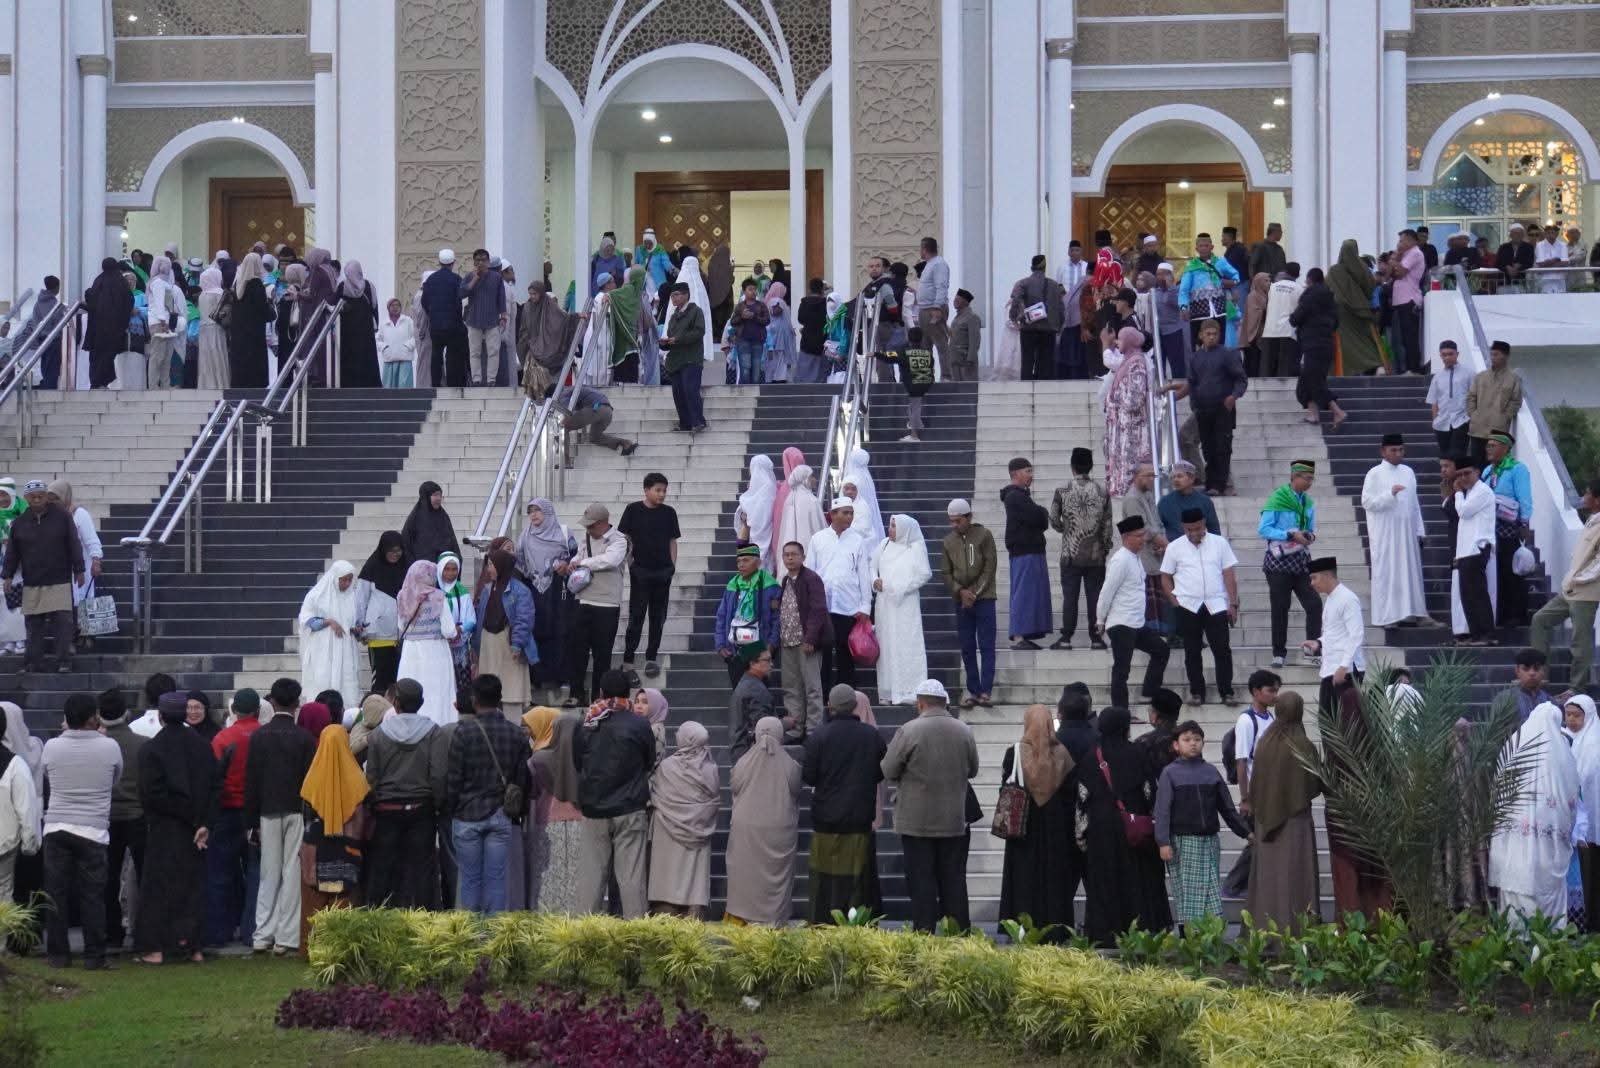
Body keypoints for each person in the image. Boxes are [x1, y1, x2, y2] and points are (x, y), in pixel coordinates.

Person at [882, 679, 977, 932]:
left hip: (916, 822)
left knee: (921, 881)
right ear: (944, 702)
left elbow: (888, 769)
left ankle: (924, 932)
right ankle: (959, 933)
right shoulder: (964, 730)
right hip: (953, 819)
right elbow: (973, 770)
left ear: (921, 703)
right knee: (954, 880)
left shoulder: (909, 730)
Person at [130, 692, 215, 966]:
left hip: (165, 826)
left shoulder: (151, 750)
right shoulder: (203, 747)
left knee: (158, 887)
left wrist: (184, 815)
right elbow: (214, 787)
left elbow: (151, 795)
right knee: (192, 886)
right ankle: (192, 944)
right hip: (197, 827)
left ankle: (154, 948)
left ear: (161, 716)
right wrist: (203, 822)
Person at [40, 693, 123, 968]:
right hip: (93, 829)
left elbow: (47, 775)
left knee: (56, 894)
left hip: (57, 826)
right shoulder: (109, 746)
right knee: (93, 896)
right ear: (93, 717)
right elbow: (115, 778)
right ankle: (94, 956)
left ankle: (58, 955)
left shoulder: (51, 746)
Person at [1077, 705, 1171, 946]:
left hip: (1102, 830)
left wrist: (1081, 836)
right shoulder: (1138, 753)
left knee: (1105, 883)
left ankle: (1106, 935)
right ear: (1125, 727)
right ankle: (1142, 932)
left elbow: (1082, 797)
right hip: (1134, 829)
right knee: (1139, 881)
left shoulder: (1091, 756)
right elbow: (1150, 792)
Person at [446, 675, 532, 915]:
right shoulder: (516, 734)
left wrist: (451, 809)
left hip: (466, 814)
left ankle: (472, 932)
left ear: (474, 700)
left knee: (470, 879)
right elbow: (522, 779)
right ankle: (493, 933)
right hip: (500, 814)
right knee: (496, 880)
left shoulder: (463, 733)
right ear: (500, 699)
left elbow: (453, 779)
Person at [572, 670, 654, 918]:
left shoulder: (586, 723)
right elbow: (649, 762)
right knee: (631, 878)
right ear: (628, 694)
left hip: (594, 808)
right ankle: (635, 936)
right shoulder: (640, 724)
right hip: (630, 808)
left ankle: (583, 935)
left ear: (600, 693)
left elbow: (578, 763)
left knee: (592, 876)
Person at [1490, 701, 1579, 928]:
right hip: (1549, 842)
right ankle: (1549, 942)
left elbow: (1498, 791)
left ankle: (1514, 942)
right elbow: (1571, 797)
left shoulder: (1513, 746)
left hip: (1515, 843)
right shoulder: (1562, 753)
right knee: (1547, 886)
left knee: (1517, 880)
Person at [1155, 719, 1250, 929]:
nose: (1193, 743)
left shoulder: (1211, 772)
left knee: (1211, 889)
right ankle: (1190, 937)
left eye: (1197, 739)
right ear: (1176, 745)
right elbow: (1162, 811)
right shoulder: (1170, 773)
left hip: (1210, 841)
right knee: (1189, 892)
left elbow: (1227, 808)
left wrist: (1246, 832)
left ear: (1203, 743)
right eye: (1187, 739)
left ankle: (1211, 937)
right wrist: (1163, 842)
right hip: (1183, 842)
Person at [242, 686, 316, 954]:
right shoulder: (305, 738)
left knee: (268, 873)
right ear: (297, 703)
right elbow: (309, 781)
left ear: (272, 702)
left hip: (267, 811)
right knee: (291, 873)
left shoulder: (259, 736)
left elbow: (251, 781)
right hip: (296, 810)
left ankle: (262, 934)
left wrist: (250, 822)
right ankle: (286, 937)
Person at [803, 685, 886, 922]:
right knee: (858, 878)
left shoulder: (819, 736)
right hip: (859, 818)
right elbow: (880, 772)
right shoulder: (871, 736)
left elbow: (809, 776)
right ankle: (856, 923)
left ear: (830, 705)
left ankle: (823, 921)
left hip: (826, 819)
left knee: (825, 877)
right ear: (854, 705)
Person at [363, 678, 446, 908]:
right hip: (421, 808)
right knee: (423, 867)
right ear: (421, 702)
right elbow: (438, 775)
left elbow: (372, 776)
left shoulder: (379, 734)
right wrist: (438, 803)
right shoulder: (433, 732)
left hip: (386, 808)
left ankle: (377, 913)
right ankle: (424, 917)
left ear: (396, 703)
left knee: (382, 866)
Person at [1245, 691, 1323, 934]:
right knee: (1296, 877)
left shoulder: (1264, 743)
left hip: (1265, 822)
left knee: (1269, 879)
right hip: (1295, 823)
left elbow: (1256, 781)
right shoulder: (1303, 744)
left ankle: (1264, 931)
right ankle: (1297, 932)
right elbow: (1315, 784)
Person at [997, 704, 1077, 938]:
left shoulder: (1015, 752)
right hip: (1055, 825)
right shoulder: (1062, 754)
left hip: (1022, 823)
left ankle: (1021, 927)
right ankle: (1055, 928)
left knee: (1022, 876)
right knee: (1054, 876)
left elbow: (1005, 786)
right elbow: (1070, 793)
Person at [297, 724, 370, 948]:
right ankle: (341, 947)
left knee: (313, 902)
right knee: (343, 900)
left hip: (316, 849)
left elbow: (306, 819)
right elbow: (362, 819)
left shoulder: (311, 781)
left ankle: (310, 947)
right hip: (347, 850)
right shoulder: (358, 780)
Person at [2, 480, 84, 672]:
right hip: (32, 581)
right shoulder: (20, 522)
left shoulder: (63, 517)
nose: (37, 499)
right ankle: (32, 663)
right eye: (33, 497)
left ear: (47, 496)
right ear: (26, 498)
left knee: (62, 623)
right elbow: (13, 552)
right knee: (33, 625)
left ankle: (64, 662)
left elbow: (74, 543)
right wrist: (7, 575)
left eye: (41, 496)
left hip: (59, 579)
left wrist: (79, 569)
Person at [1162, 508, 1239, 705]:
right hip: (1188, 605)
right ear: (1183, 527)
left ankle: (1227, 692)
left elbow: (1229, 574)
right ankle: (1197, 692)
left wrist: (1233, 603)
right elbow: (1165, 577)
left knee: (1222, 649)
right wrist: (1175, 603)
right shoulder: (1174, 547)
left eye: (1197, 528)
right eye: (1189, 530)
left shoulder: (1219, 543)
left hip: (1216, 604)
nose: (1194, 533)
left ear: (1204, 523)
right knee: (1192, 651)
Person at [1097, 516, 1171, 708]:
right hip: (1121, 623)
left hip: (1136, 623)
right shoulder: (1120, 560)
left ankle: (1149, 693)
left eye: (1143, 535)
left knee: (1161, 650)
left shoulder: (1136, 558)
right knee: (1121, 669)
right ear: (1126, 537)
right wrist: (1100, 619)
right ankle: (1120, 712)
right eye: (1138, 536)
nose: (1143, 539)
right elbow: (1107, 591)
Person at [1533, 478, 1600, 690]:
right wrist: (1572, 580)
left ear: (1597, 499)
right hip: (1570, 589)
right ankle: (1538, 675)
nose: (1584, 497)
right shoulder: (1592, 520)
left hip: (1586, 592)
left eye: (1587, 493)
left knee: (1580, 642)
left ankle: (1577, 689)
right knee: (1540, 620)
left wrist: (1579, 578)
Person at [647, 721, 718, 918]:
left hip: (667, 829)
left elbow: (656, 792)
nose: (677, 734)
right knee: (694, 871)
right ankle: (693, 910)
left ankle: (666, 908)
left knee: (669, 869)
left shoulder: (666, 767)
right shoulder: (711, 769)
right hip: (700, 831)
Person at [561, 504, 629, 708]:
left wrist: (583, 563)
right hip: (583, 600)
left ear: (603, 523)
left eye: (591, 525)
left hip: (607, 604)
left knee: (602, 654)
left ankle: (600, 696)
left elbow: (610, 560)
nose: (588, 529)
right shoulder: (586, 538)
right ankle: (576, 693)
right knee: (577, 651)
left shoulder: (619, 540)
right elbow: (579, 556)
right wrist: (573, 562)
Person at [1360, 434, 1430, 627]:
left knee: (1411, 572)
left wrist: (1420, 530)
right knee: (1388, 572)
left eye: (1401, 449)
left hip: (1407, 533)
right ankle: (1388, 617)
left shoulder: (1408, 472)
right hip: (1385, 533)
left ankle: (1414, 612)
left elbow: (1414, 504)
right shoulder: (1374, 473)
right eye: (1393, 450)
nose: (1398, 453)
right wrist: (1390, 494)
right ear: (1383, 451)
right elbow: (1367, 502)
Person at [1259, 461, 1321, 669]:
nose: (1309, 483)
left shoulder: (1308, 502)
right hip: (1279, 561)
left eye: (1312, 479)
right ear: (1295, 477)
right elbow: (1264, 529)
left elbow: (1311, 528)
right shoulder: (1277, 499)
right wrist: (1289, 535)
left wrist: (1309, 536)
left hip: (1301, 560)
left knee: (1314, 604)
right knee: (1280, 606)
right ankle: (1279, 653)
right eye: (1307, 478)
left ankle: (1312, 649)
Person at [1049, 448, 1112, 652]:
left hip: (1070, 554)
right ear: (1091, 466)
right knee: (1095, 597)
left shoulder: (1062, 490)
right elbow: (1107, 526)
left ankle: (1066, 638)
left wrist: (1066, 530)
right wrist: (1104, 547)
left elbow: (1053, 519)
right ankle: (1096, 639)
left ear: (1072, 466)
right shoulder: (1102, 492)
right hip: (1095, 555)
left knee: (1070, 597)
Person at [95, 690, 144, 948]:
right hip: (137, 815)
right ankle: (145, 931)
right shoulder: (142, 744)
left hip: (107, 817)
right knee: (144, 875)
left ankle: (112, 932)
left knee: (108, 877)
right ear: (126, 713)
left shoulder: (96, 746)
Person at [808, 499, 874, 691]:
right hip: (823, 605)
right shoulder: (818, 538)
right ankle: (824, 694)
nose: (849, 517)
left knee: (846, 651)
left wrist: (865, 606)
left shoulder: (857, 540)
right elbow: (811, 572)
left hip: (849, 605)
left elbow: (863, 575)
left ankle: (847, 694)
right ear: (832, 514)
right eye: (845, 513)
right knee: (824, 652)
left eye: (851, 513)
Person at [619, 474, 680, 677]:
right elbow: (625, 538)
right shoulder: (633, 510)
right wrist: (631, 563)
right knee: (636, 615)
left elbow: (672, 540)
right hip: (640, 571)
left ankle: (651, 658)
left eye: (664, 490)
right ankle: (628, 660)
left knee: (658, 617)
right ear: (646, 490)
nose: (662, 494)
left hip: (663, 572)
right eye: (657, 490)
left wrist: (672, 566)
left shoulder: (669, 513)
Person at [523, 707, 582, 912]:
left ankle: (547, 918)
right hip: (580, 824)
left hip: (547, 823)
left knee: (547, 876)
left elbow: (530, 793)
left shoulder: (538, 760)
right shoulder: (586, 761)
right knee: (575, 876)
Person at [517, 499, 575, 703]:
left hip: (559, 588)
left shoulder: (564, 533)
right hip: (534, 588)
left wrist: (565, 564)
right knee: (537, 629)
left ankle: (559, 676)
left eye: (538, 511)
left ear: (548, 513)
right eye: (530, 511)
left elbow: (576, 555)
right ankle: (538, 677)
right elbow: (519, 562)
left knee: (559, 630)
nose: (533, 515)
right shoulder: (525, 535)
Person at [941, 499, 997, 709]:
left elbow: (990, 567)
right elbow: (946, 572)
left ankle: (986, 691)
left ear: (969, 517)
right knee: (967, 646)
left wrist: (974, 593)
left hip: (984, 598)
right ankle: (974, 691)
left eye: (958, 521)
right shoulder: (948, 541)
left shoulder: (984, 535)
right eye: (951, 521)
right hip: (961, 601)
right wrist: (960, 591)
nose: (954, 525)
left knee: (986, 645)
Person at [1184, 319, 1247, 497]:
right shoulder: (1195, 358)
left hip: (1223, 408)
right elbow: (1192, 383)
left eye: (1215, 334)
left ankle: (1220, 484)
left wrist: (1233, 396)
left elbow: (1241, 379)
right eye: (1208, 334)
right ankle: (1210, 483)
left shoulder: (1227, 354)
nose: (1211, 337)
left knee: (1222, 447)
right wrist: (1194, 404)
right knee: (1208, 447)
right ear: (1201, 335)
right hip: (1203, 409)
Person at [473, 549, 538, 717]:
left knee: (511, 692)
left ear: (501, 566)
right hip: (488, 645)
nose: (488, 569)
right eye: (488, 565)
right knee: (488, 691)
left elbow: (524, 620)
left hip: (509, 645)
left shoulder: (520, 590)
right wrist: (476, 648)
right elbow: (480, 619)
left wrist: (517, 644)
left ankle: (511, 725)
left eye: (491, 565)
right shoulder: (487, 589)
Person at [394, 561, 460, 726]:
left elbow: (401, 626)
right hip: (435, 650)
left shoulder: (403, 595)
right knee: (437, 691)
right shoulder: (438, 596)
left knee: (411, 686)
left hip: (411, 651)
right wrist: (456, 631)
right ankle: (439, 726)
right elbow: (448, 631)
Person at [778, 541, 832, 739]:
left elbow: (818, 610)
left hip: (806, 642)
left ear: (803, 557)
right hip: (787, 641)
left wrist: (811, 638)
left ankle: (813, 730)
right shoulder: (786, 580)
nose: (790, 558)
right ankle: (795, 727)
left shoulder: (811, 578)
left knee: (812, 687)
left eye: (794, 554)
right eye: (786, 555)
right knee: (791, 688)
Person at [1484, 430, 1534, 626]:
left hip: (1510, 526)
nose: (1488, 449)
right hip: (1491, 527)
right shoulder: (1488, 471)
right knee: (1496, 570)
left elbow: (1525, 498)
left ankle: (1516, 614)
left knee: (1511, 569)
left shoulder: (1517, 469)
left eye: (1493, 446)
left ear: (1505, 448)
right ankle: (1500, 612)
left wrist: (1525, 522)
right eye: (1487, 445)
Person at [1002, 457, 1053, 649]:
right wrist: (1042, 512)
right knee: (1023, 594)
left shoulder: (1021, 496)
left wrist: (1041, 513)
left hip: (1030, 552)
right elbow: (1039, 518)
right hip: (1024, 552)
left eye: (1031, 471)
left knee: (1031, 595)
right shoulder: (1015, 496)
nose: (1031, 475)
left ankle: (1024, 633)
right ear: (1015, 474)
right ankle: (1018, 635)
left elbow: (1039, 517)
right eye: (1027, 471)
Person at [297, 561, 361, 712]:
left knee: (347, 685)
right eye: (343, 580)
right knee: (322, 681)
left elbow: (354, 620)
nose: (347, 584)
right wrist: (329, 622)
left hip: (345, 650)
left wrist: (356, 629)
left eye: (349, 580)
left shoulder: (352, 597)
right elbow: (307, 620)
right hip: (323, 650)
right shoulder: (317, 595)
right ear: (334, 578)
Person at [716, 543, 781, 689]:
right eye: (738, 561)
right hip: (735, 648)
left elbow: (777, 619)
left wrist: (771, 644)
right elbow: (721, 616)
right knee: (738, 691)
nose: (741, 565)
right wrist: (720, 644)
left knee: (759, 690)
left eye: (746, 560)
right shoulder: (732, 585)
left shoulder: (770, 586)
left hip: (759, 647)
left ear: (758, 562)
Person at [354, 531, 410, 695]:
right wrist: (360, 626)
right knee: (380, 680)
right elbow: (361, 599)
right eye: (391, 550)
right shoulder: (371, 568)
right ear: (383, 549)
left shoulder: (407, 567)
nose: (395, 554)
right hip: (378, 634)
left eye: (398, 550)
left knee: (399, 681)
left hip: (402, 634)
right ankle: (377, 708)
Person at [1306, 557, 1364, 714]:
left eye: (1314, 578)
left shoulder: (1348, 598)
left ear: (1327, 575)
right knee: (1327, 721)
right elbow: (1333, 633)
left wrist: (1343, 666)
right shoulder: (1331, 599)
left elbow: (1356, 635)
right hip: (1331, 668)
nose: (1312, 583)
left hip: (1345, 671)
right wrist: (1318, 643)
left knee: (1345, 722)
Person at [1452, 457, 1498, 645]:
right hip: (1466, 550)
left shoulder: (1483, 491)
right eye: (1460, 475)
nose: (1463, 478)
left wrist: (1457, 493)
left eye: (1467, 473)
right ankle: (1476, 634)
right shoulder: (1470, 492)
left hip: (1477, 548)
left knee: (1477, 593)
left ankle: (1487, 635)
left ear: (1477, 472)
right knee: (1467, 594)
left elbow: (1463, 512)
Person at [0, 702, 39, 910]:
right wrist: (29, 844)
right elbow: (26, 809)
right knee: (3, 894)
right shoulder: (15, 764)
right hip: (4, 845)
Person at [1327, 239, 1384, 375]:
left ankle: (1344, 370)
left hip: (1340, 313)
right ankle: (1373, 365)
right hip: (1361, 311)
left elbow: (1327, 289)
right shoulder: (1362, 268)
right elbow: (1370, 286)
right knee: (1365, 341)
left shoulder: (1334, 271)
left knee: (1344, 343)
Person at [1465, 338, 1523, 467]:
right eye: (1491, 354)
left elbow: (1516, 401)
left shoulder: (1513, 379)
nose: (1492, 357)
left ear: (1506, 356)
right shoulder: (1480, 377)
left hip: (1498, 432)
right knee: (1476, 467)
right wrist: (1473, 415)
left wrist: (1505, 416)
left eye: (1496, 354)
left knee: (1494, 466)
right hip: (1477, 429)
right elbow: (1471, 397)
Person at [872, 326, 936, 443]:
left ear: (909, 339)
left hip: (913, 384)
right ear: (921, 339)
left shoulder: (904, 352)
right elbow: (931, 365)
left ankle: (914, 435)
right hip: (926, 382)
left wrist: (875, 354)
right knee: (914, 406)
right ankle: (917, 424)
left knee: (914, 408)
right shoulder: (927, 352)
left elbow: (889, 356)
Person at [1008, 254, 1065, 381]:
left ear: (1031, 268)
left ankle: (1027, 388)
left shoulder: (1022, 283)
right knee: (1046, 363)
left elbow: (1016, 300)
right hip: (1049, 329)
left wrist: (1013, 317)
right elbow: (1061, 308)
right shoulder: (1055, 285)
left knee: (1027, 361)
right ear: (1045, 268)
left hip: (1029, 328)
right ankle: (1044, 389)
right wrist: (1060, 325)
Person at [1176, 233, 1241, 346]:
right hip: (1198, 312)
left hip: (1219, 311)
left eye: (1206, 245)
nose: (1204, 248)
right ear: (1196, 249)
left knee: (1219, 343)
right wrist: (1183, 306)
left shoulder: (1220, 262)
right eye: (1201, 246)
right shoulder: (1191, 266)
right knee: (1199, 344)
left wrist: (1232, 282)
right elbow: (1184, 290)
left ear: (1212, 247)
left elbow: (1236, 275)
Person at [661, 282, 708, 432]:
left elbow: (699, 332)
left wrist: (678, 339)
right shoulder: (673, 316)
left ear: (686, 295)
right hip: (676, 360)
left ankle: (698, 422)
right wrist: (665, 343)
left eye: (676, 295)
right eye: (672, 296)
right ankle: (685, 423)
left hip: (691, 358)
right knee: (678, 392)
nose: (673, 299)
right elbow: (671, 337)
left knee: (690, 389)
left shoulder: (696, 311)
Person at [460, 249, 508, 386]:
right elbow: (461, 294)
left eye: (483, 260)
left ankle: (491, 379)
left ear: (488, 262)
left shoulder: (496, 277)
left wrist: (503, 315)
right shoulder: (469, 276)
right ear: (474, 262)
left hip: (492, 319)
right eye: (478, 260)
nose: (480, 263)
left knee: (493, 351)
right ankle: (476, 379)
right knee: (475, 352)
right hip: (474, 319)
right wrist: (475, 279)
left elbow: (501, 297)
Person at [85, 258, 134, 388]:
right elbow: (128, 301)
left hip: (97, 327)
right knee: (108, 354)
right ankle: (103, 382)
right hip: (114, 328)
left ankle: (96, 382)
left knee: (96, 355)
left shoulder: (98, 280)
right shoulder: (120, 281)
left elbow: (91, 299)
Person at [227, 252, 274, 389]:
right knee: (254, 369)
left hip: (239, 333)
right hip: (254, 334)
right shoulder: (256, 284)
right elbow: (262, 309)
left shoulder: (238, 283)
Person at [422, 250, 468, 386]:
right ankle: (452, 385)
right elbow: (460, 300)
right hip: (453, 325)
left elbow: (424, 302)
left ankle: (435, 384)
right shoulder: (456, 279)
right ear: (453, 263)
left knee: (436, 355)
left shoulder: (431, 280)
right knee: (452, 356)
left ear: (439, 262)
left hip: (436, 325)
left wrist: (432, 315)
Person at [727, 645, 776, 765]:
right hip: (751, 759)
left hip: (741, 756)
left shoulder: (746, 682)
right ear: (753, 663)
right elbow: (764, 728)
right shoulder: (755, 689)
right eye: (767, 660)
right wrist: (786, 724)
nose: (772, 664)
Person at [1387, 230, 1427, 375]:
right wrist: (1394, 259)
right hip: (1401, 299)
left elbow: (1401, 272)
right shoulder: (1404, 255)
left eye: (1402, 240)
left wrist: (1393, 261)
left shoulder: (1415, 253)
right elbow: (1389, 275)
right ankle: (1409, 367)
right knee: (1403, 337)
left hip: (1409, 299)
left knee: (1410, 336)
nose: (1399, 244)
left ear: (1411, 240)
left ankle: (1414, 368)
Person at [1427, 340, 1471, 459]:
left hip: (1462, 420)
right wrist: (1435, 421)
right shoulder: (1437, 377)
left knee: (1458, 456)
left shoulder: (1469, 373)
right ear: (1440, 356)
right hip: (1442, 422)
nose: (1447, 357)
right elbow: (1434, 401)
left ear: (1457, 354)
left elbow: (1475, 396)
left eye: (1450, 354)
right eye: (1444, 354)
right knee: (1445, 457)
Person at [735, 455, 779, 573]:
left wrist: (746, 514)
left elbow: (761, 516)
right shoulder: (769, 487)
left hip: (762, 536)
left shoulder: (767, 488)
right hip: (755, 537)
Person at [1156, 460, 1218, 540]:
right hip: (1173, 546)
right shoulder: (1164, 502)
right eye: (1173, 477)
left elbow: (1214, 531)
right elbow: (1157, 529)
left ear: (1192, 479)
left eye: (1179, 476)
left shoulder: (1205, 501)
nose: (1175, 480)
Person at [401, 481, 460, 565]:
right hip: (422, 568)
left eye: (440, 495)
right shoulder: (415, 518)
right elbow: (406, 545)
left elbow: (452, 542)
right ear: (426, 497)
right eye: (435, 495)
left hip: (444, 567)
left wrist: (457, 560)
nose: (439, 498)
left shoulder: (443, 516)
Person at [1489, 648, 1552, 726]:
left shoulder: (1550, 701)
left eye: (1536, 669)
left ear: (1544, 671)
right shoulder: (1503, 699)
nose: (1532, 673)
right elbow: (1496, 730)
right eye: (1526, 669)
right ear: (1517, 671)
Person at [780, 462, 827, 556]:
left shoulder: (790, 499)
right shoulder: (811, 500)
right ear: (804, 479)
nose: (814, 480)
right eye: (811, 476)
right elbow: (817, 527)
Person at [378, 296, 417, 388]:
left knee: (405, 387)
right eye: (392, 305)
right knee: (389, 388)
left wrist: (408, 346)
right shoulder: (384, 323)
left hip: (405, 359)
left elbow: (415, 336)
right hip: (389, 359)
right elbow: (378, 339)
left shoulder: (408, 321)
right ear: (388, 308)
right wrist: (384, 347)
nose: (395, 307)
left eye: (397, 305)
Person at [947, 288, 981, 383]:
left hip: (965, 362)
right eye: (955, 299)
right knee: (956, 389)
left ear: (966, 302)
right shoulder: (956, 318)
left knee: (968, 388)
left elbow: (975, 342)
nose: (955, 301)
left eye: (958, 299)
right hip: (954, 360)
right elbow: (954, 337)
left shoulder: (972, 317)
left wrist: (970, 360)